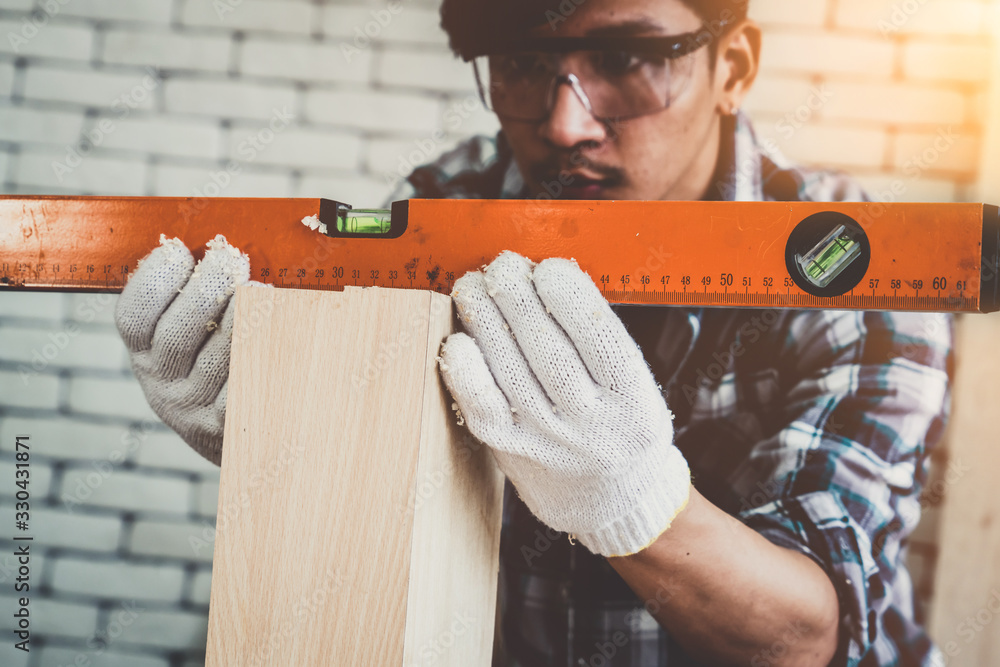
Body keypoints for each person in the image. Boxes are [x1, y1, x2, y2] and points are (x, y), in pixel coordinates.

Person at [114, 0, 953, 665]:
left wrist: (635, 504)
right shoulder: (439, 211)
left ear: (731, 67)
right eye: (522, 65)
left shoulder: (852, 262)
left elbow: (807, 637)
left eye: (626, 61)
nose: (565, 125)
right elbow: (380, 523)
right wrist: (292, 433)